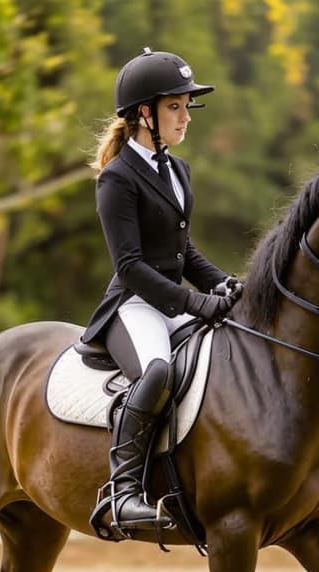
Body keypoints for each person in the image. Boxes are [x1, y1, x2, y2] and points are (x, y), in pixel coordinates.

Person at [81, 47, 243, 536]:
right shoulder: (117, 178)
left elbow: (182, 249)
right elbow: (130, 267)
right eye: (175, 106)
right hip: (132, 307)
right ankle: (123, 492)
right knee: (156, 371)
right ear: (144, 114)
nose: (185, 116)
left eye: (186, 106)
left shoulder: (177, 170)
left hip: (169, 302)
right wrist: (196, 302)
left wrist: (222, 283)